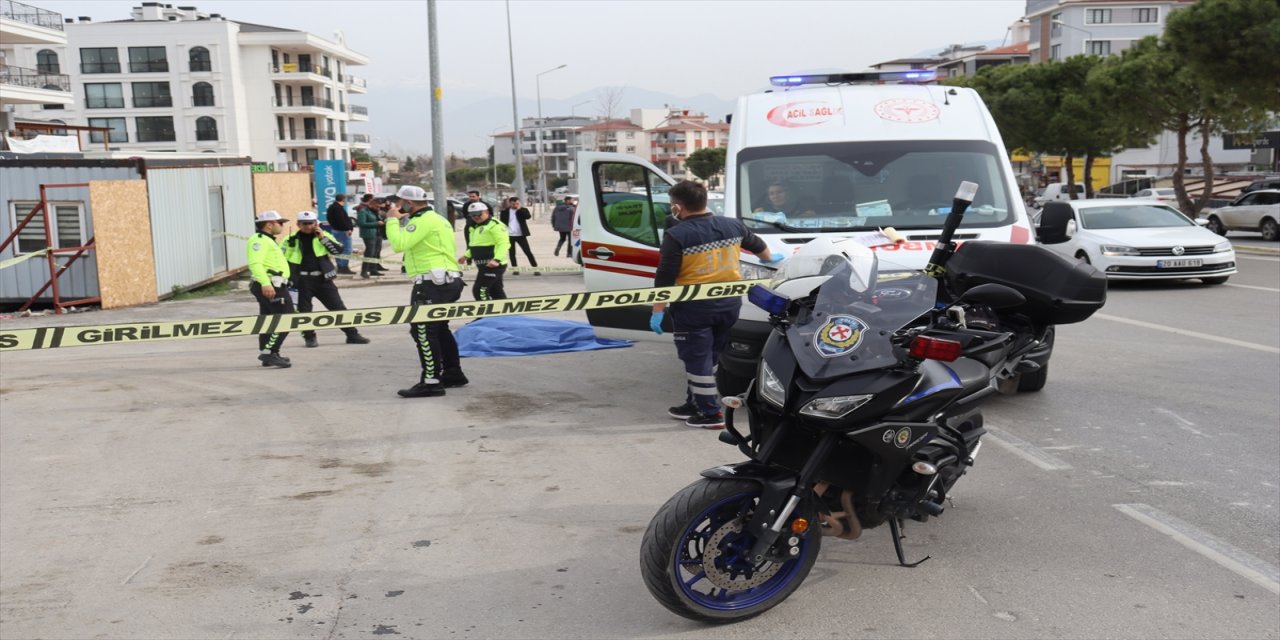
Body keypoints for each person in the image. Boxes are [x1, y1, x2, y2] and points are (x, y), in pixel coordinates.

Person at [651, 180, 781, 429]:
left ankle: (710, 413)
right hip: (729, 305)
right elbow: (760, 247)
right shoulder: (731, 224)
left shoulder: (676, 235)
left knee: (696, 357)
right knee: (708, 357)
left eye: (672, 205)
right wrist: (771, 259)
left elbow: (664, 279)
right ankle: (695, 403)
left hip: (694, 308)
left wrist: (657, 311)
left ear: (678, 207)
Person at [385, 185, 468, 398]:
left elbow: (398, 244)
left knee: (422, 330)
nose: (397, 206)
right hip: (445, 280)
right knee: (439, 328)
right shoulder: (437, 219)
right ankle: (452, 372)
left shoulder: (422, 221)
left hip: (432, 283)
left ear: (408, 203)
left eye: (399, 202)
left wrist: (392, 220)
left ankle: (431, 381)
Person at [282, 210, 371, 348]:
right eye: (304, 223)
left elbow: (338, 251)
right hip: (302, 280)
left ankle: (352, 334)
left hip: (323, 279)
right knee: (304, 311)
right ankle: (309, 337)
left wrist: (322, 238)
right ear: (298, 224)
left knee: (338, 307)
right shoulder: (289, 239)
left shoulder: (324, 236)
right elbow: (280, 259)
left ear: (316, 223)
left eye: (311, 223)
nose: (308, 226)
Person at [246, 210, 294, 369]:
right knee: (286, 319)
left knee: (268, 320)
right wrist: (266, 283)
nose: (282, 226)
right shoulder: (258, 240)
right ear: (269, 224)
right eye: (280, 223)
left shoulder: (268, 240)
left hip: (275, 284)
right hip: (271, 286)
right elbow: (255, 264)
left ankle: (268, 353)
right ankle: (269, 352)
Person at [460, 201, 510, 300]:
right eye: (473, 215)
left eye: (479, 214)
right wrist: (466, 255)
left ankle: (485, 314)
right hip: (483, 265)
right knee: (496, 291)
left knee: (480, 291)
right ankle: (505, 314)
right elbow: (476, 245)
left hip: (493, 265)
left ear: (486, 212)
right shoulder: (474, 226)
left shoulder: (495, 225)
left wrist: (496, 260)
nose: (476, 217)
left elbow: (504, 243)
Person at [500, 196, 538, 273]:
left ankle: (535, 268)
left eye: (517, 203)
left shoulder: (523, 210)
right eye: (513, 204)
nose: (515, 205)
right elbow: (502, 223)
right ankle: (515, 269)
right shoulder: (505, 212)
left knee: (527, 252)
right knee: (512, 253)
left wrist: (519, 209)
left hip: (521, 235)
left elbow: (528, 217)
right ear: (510, 203)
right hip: (509, 235)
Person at [324, 193, 355, 274]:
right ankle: (343, 267)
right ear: (343, 199)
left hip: (335, 230)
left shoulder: (332, 207)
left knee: (338, 249)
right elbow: (342, 220)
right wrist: (348, 229)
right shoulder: (338, 208)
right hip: (342, 231)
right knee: (347, 250)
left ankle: (341, 266)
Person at [357, 194, 385, 278]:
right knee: (369, 253)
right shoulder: (363, 211)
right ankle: (364, 271)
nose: (378, 208)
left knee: (376, 252)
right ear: (371, 204)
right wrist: (376, 223)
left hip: (377, 233)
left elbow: (379, 218)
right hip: (369, 234)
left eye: (379, 207)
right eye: (376, 206)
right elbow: (361, 223)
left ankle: (373, 269)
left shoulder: (376, 211)